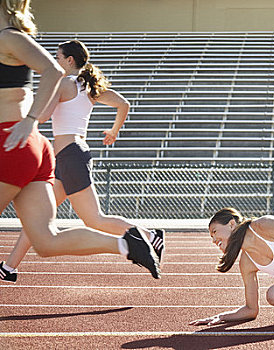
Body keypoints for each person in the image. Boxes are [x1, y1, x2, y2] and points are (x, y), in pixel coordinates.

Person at [0, 0, 160, 281]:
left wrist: (31, 117)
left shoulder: (61, 80)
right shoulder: (87, 86)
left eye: (61, 57)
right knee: (43, 233)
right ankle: (10, 266)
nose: (58, 60)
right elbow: (124, 104)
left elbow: (47, 102)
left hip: (52, 150)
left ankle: (146, 235)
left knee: (93, 219)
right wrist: (113, 132)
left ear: (69, 60)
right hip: (59, 153)